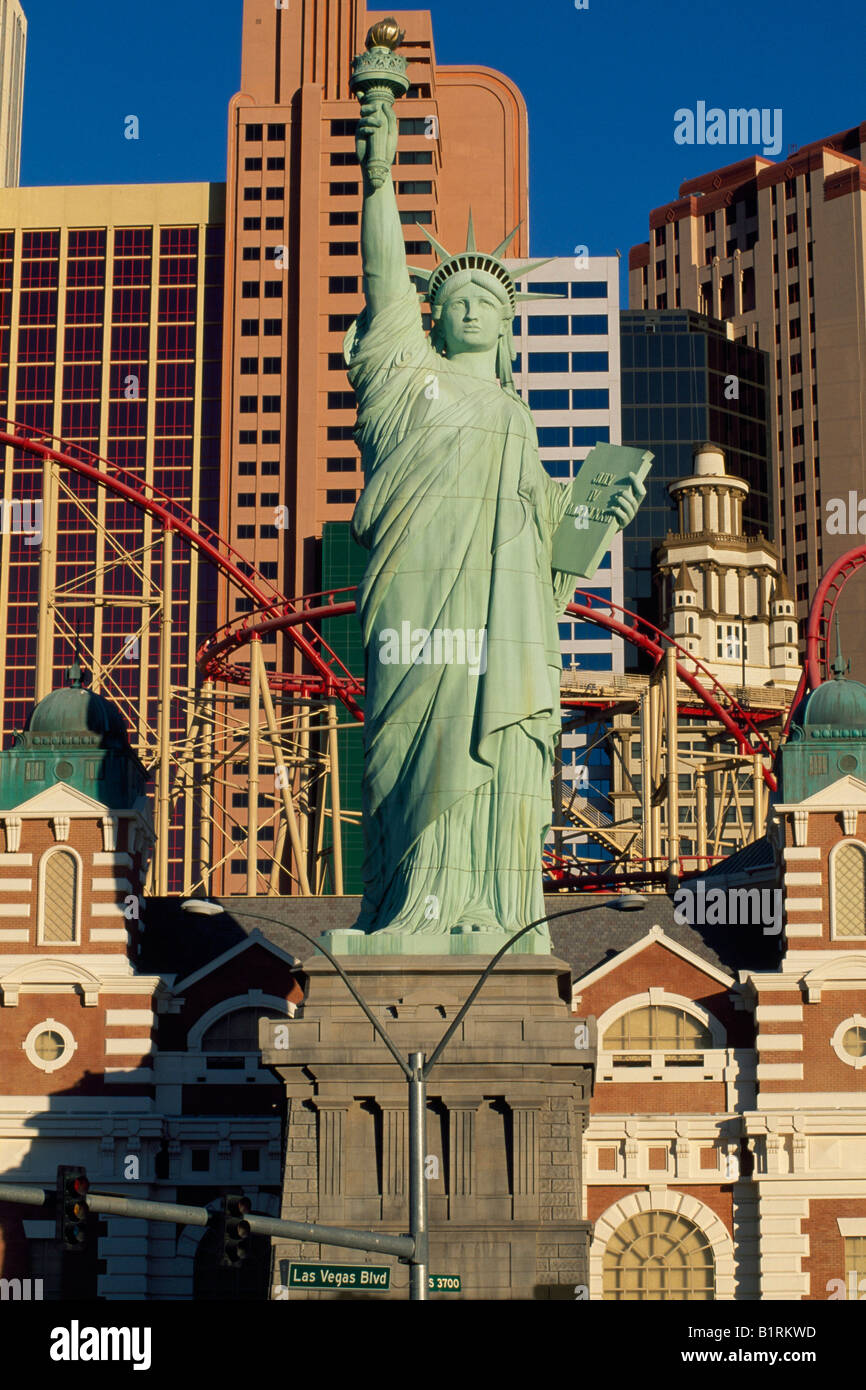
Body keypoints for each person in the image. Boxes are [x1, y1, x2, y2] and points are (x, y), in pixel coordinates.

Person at [344, 97, 644, 947]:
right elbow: (383, 274)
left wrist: (598, 517)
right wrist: (377, 174)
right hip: (415, 598)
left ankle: (493, 911)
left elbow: (549, 560)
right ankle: (412, 909)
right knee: (411, 753)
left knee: (500, 746)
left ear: (509, 326)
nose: (470, 306)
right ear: (431, 317)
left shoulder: (516, 419)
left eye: (488, 299)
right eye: (456, 296)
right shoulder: (408, 379)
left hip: (500, 624)